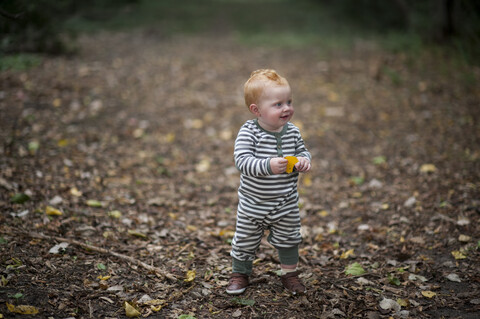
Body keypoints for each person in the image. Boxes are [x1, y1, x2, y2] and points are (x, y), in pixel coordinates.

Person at [227, 69, 312, 295]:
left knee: (290, 239)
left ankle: (290, 275)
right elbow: (242, 161)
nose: (286, 108)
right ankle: (240, 274)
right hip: (253, 204)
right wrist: (268, 165)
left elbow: (303, 151)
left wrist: (304, 161)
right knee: (244, 240)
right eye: (278, 104)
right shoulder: (249, 132)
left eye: (289, 102)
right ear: (257, 110)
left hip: (285, 203)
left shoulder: (292, 132)